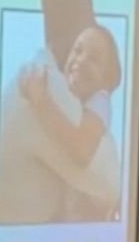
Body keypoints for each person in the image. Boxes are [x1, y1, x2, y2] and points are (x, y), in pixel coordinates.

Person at [16, 22, 123, 221]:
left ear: (108, 80)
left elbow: (82, 149)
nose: (80, 61)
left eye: (94, 59)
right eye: (78, 50)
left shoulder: (100, 100)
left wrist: (41, 101)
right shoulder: (64, 92)